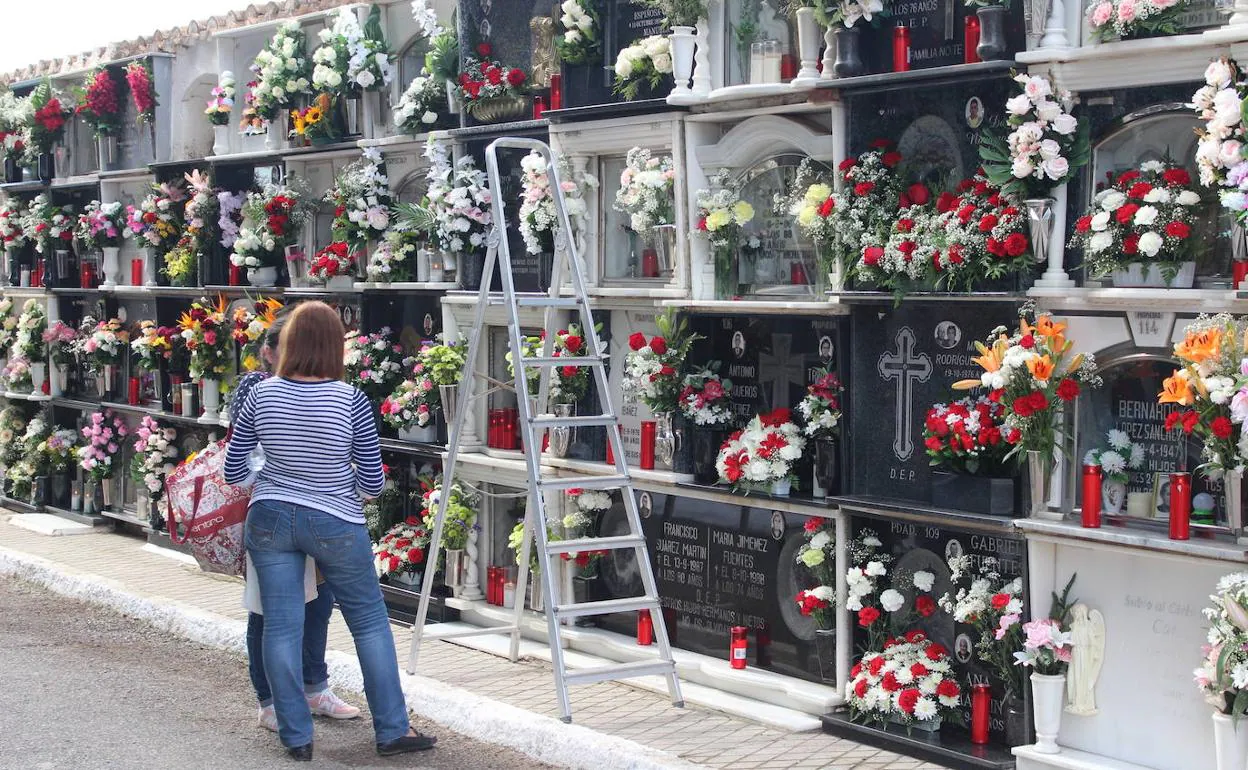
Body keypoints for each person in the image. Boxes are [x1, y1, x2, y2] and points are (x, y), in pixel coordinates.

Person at [225, 302, 436, 761]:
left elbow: (233, 467)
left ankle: (296, 736)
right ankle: (392, 730)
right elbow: (373, 480)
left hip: (272, 516)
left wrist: (268, 480)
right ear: (333, 347)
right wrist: (350, 490)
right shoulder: (351, 400)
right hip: (336, 519)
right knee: (369, 623)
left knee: (281, 626)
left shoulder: (261, 395)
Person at [229, 311, 361, 734]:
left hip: (316, 509)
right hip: (270, 509)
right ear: (268, 353)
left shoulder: (327, 391)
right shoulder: (256, 388)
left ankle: (314, 687)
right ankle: (269, 699)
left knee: (319, 602)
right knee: (268, 611)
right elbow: (239, 458)